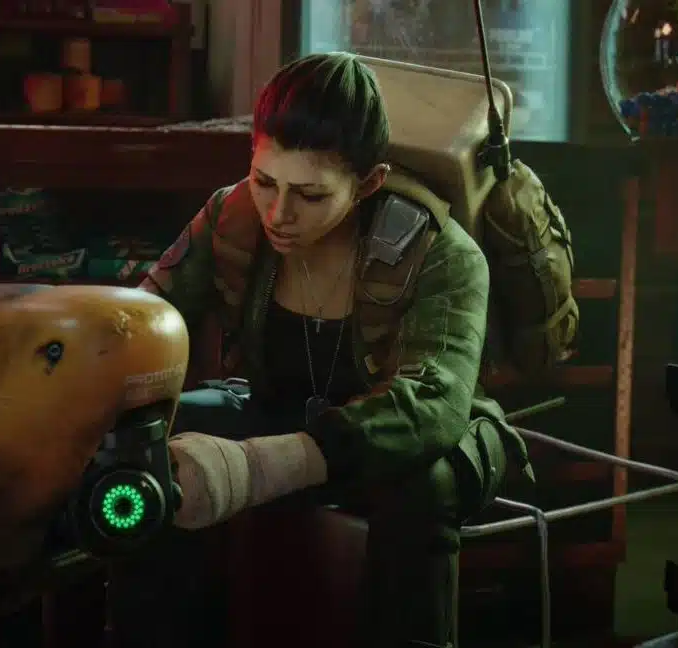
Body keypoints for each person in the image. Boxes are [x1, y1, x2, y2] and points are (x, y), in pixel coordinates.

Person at [110, 52, 526, 648]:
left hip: (406, 441)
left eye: (309, 194)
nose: (279, 214)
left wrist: (270, 465)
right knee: (151, 446)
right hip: (277, 415)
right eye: (264, 182)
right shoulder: (232, 217)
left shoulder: (441, 253)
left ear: (369, 183)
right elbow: (143, 322)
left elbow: (433, 405)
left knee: (425, 485)